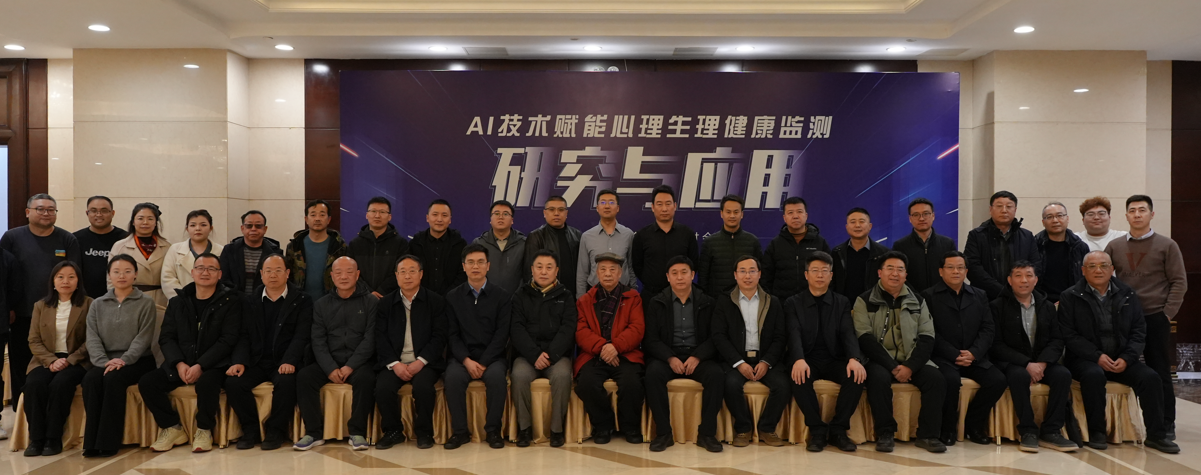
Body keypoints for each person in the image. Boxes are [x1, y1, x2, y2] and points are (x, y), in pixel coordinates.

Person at [1058, 251, 1179, 453]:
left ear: (1112, 269)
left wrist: (1127, 358)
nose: (1098, 270)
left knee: (1150, 378)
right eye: (1092, 266)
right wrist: (1096, 356)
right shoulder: (1070, 296)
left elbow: (1139, 331)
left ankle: (1156, 435)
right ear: (1083, 271)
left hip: (1122, 358)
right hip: (1085, 359)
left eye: (1104, 266)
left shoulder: (1128, 294)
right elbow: (1069, 335)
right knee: (1093, 375)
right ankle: (1097, 432)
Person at [1105, 195, 1187, 441]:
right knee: (1124, 367)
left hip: (1154, 316)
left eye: (1142, 210)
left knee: (1159, 370)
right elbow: (1105, 279)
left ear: (1151, 214)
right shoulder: (1115, 246)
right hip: (1123, 318)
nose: (1137, 214)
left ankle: (1165, 423)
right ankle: (1121, 422)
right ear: (1126, 216)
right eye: (1132, 210)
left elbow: (1179, 282)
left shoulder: (1167, 245)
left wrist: (1167, 314)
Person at [141, 253, 241, 453]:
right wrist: (179, 364)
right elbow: (166, 338)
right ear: (193, 272)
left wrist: (200, 365)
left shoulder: (230, 301)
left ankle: (204, 429)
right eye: (200, 268)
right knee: (148, 383)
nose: (205, 272)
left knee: (207, 383)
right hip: (182, 362)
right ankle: (172, 427)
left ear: (219, 274)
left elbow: (228, 340)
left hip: (214, 364)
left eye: (211, 269)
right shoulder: (178, 302)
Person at [1, 193, 82, 427]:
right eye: (40, 209)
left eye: (51, 209)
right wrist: (9, 307)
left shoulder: (67, 239)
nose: (46, 213)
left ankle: (51, 416)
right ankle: (24, 419)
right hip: (21, 314)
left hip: (58, 315)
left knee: (54, 366)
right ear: (28, 212)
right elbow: (4, 275)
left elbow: (74, 273)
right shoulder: (12, 237)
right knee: (21, 366)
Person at [853, 251, 946, 453]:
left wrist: (910, 366)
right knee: (878, 378)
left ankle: (928, 435)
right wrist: (893, 367)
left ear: (906, 275)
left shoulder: (918, 301)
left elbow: (927, 336)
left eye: (900, 270)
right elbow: (864, 338)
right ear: (880, 273)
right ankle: (885, 432)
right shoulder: (864, 300)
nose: (895, 274)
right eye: (890, 269)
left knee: (936, 379)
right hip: (879, 359)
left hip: (911, 358)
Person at [223, 253, 313, 451]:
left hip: (284, 360)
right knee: (234, 382)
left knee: (287, 382)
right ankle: (251, 430)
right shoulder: (250, 300)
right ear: (261, 274)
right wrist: (239, 361)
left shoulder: (302, 300)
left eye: (278, 270)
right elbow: (243, 335)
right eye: (269, 271)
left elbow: (302, 336)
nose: (273, 275)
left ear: (287, 273)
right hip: (256, 360)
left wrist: (290, 360)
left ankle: (276, 431)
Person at [989, 261, 1077, 453]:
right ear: (1009, 280)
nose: (1024, 280)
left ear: (1036, 280)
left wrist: (1042, 363)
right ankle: (1027, 430)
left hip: (1043, 361)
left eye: (1029, 275)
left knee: (1063, 375)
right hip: (1014, 362)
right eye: (1018, 276)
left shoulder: (1047, 306)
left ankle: (1051, 430)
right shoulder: (997, 306)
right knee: (1018, 376)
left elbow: (1057, 340)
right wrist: (1027, 364)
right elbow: (996, 345)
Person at [784, 251, 865, 453]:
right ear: (806, 275)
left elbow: (848, 333)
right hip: (807, 359)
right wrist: (798, 359)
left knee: (856, 376)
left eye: (824, 271)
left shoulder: (842, 302)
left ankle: (838, 430)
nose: (820, 275)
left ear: (831, 275)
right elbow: (793, 333)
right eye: (815, 270)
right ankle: (817, 431)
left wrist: (854, 358)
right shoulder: (793, 303)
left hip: (834, 359)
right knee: (798, 377)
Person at [923, 251, 1005, 446]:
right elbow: (929, 331)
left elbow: (988, 328)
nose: (956, 271)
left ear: (966, 271)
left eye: (960, 268)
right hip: (944, 357)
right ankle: (948, 428)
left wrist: (974, 353)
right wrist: (954, 354)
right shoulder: (928, 296)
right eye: (950, 267)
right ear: (941, 271)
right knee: (949, 381)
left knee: (997, 380)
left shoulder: (979, 295)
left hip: (974, 356)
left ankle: (973, 426)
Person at [294, 257, 378, 451]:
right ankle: (313, 433)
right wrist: (330, 368)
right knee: (305, 377)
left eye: (349, 272)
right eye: (338, 273)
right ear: (331, 276)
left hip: (358, 362)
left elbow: (370, 339)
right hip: (329, 361)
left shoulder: (371, 302)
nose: (343, 277)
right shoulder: (321, 304)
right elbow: (318, 340)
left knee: (366, 379)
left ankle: (357, 432)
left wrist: (350, 366)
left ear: (357, 275)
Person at [642, 256, 723, 452]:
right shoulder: (656, 302)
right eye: (675, 273)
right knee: (652, 374)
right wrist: (670, 358)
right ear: (668, 277)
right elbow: (651, 339)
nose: (680, 277)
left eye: (684, 272)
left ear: (693, 275)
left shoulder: (708, 302)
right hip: (668, 356)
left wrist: (698, 356)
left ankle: (707, 434)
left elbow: (716, 337)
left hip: (697, 356)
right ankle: (663, 433)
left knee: (717, 375)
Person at [81, 254, 157, 458]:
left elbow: (143, 338)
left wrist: (124, 360)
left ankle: (108, 441)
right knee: (90, 379)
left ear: (135, 274)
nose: (121, 276)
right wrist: (104, 362)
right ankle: (91, 442)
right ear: (109, 275)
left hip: (138, 360)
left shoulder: (146, 302)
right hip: (105, 360)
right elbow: (92, 337)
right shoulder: (97, 304)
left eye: (127, 271)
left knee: (113, 379)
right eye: (116, 272)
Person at [712, 255, 790, 448]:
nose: (747, 276)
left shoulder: (772, 302)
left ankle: (767, 428)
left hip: (765, 359)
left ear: (759, 274)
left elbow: (780, 337)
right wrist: (739, 363)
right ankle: (743, 428)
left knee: (783, 385)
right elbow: (719, 336)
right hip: (737, 360)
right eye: (743, 271)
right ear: (735, 275)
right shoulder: (725, 301)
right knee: (730, 384)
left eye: (752, 271)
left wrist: (766, 362)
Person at [373, 254, 447, 450]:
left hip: (425, 362)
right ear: (396, 275)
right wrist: (395, 364)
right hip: (394, 362)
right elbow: (380, 338)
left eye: (412, 271)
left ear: (421, 274)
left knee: (423, 388)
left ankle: (424, 432)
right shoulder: (385, 304)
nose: (407, 276)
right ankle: (393, 431)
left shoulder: (435, 301)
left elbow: (439, 337)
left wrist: (420, 361)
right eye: (403, 272)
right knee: (383, 388)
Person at [443, 244, 511, 449]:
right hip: (462, 357)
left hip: (492, 356)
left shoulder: (502, 296)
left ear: (488, 266)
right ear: (463, 266)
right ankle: (460, 432)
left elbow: (502, 335)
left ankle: (493, 431)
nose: (475, 267)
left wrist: (483, 362)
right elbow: (452, 335)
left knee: (497, 378)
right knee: (453, 378)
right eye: (470, 262)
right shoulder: (452, 297)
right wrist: (466, 361)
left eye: (480, 262)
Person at [574, 252, 645, 445]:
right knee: (586, 383)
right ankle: (603, 426)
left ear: (620, 273)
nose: (607, 274)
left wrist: (616, 347)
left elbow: (637, 328)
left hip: (625, 354)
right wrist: (603, 348)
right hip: (594, 354)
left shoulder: (633, 297)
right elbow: (581, 331)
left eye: (612, 270)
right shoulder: (585, 300)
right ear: (596, 273)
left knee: (632, 383)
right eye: (603, 269)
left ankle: (630, 427)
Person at [22, 261, 91, 457]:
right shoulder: (40, 306)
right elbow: (33, 340)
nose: (65, 281)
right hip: (45, 359)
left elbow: (92, 339)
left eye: (71, 277)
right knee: (34, 384)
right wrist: (51, 361)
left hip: (76, 360)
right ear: (53, 281)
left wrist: (69, 360)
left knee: (61, 384)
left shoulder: (89, 304)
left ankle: (53, 438)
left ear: (78, 281)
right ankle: (36, 439)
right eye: (60, 277)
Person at [510, 250, 576, 448]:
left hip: (556, 356)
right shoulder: (520, 295)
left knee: (562, 376)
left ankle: (556, 430)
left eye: (549, 267)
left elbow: (568, 329)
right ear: (532, 270)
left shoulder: (566, 295)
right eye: (539, 267)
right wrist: (534, 355)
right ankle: (524, 429)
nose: (544, 272)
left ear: (557, 271)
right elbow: (517, 329)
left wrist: (550, 355)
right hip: (527, 356)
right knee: (519, 375)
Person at [108, 202, 171, 364]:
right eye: (140, 218)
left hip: (160, 300)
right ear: (133, 221)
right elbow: (111, 279)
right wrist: (117, 303)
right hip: (129, 300)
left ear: (156, 222)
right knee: (132, 344)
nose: (145, 222)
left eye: (150, 219)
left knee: (159, 343)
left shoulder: (167, 247)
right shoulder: (120, 246)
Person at [964, 191, 1042, 300]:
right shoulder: (976, 235)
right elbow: (973, 268)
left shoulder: (1027, 236)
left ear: (1015, 210)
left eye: (1009, 206)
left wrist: (1019, 288)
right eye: (999, 206)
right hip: (984, 297)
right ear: (990, 209)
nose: (1004, 210)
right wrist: (1001, 291)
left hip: (1019, 297)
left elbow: (1035, 266)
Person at [631, 185, 699, 299]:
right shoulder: (642, 235)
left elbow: (694, 264)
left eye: (668, 204)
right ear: (652, 207)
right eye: (659, 204)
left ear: (675, 206)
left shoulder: (687, 234)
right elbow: (637, 266)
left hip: (681, 295)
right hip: (651, 295)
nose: (664, 209)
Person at [761, 196, 831, 299]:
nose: (795, 216)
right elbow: (766, 278)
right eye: (790, 213)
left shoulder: (820, 243)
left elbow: (829, 274)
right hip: (782, 303)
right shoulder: (775, 244)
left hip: (814, 301)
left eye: (799, 212)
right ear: (784, 218)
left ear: (806, 215)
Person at [698, 195, 762, 297]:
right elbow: (703, 277)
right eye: (728, 212)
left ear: (742, 214)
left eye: (736, 212)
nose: (732, 216)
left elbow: (760, 274)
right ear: (721, 214)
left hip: (746, 298)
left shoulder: (752, 241)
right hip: (717, 300)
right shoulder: (709, 243)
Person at [577, 190, 635, 297]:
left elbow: (631, 268)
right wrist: (581, 299)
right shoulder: (587, 236)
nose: (607, 206)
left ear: (618, 208)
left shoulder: (628, 234)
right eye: (603, 202)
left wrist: (634, 294)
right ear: (597, 208)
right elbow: (582, 273)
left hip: (623, 294)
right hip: (595, 295)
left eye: (611, 202)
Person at [286, 199, 347, 301]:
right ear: (306, 219)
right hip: (300, 302)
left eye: (322, 215)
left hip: (332, 302)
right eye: (313, 215)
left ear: (329, 219)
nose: (317, 219)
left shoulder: (339, 246)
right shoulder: (294, 246)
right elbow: (288, 277)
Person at [892, 198, 957, 294]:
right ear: (910, 219)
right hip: (911, 299)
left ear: (933, 216)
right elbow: (897, 275)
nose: (921, 218)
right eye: (916, 215)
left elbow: (953, 273)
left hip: (942, 297)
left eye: (926, 214)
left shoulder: (947, 244)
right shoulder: (900, 246)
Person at [348, 196, 409, 298]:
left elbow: (401, 271)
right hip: (361, 298)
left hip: (390, 298)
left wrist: (382, 291)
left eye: (382, 212)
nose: (377, 216)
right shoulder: (355, 244)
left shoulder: (400, 243)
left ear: (389, 217)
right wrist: (368, 292)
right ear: (367, 215)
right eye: (373, 211)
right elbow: (351, 272)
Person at [161, 210, 224, 300]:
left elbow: (224, 279)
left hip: (214, 301)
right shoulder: (175, 249)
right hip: (181, 301)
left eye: (203, 225)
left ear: (211, 228)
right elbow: (167, 278)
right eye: (193, 225)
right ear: (187, 229)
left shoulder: (221, 251)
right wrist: (182, 300)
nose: (198, 228)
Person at [74, 196, 129, 300]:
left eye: (104, 211)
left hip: (118, 297)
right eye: (93, 211)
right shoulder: (75, 239)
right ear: (87, 213)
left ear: (112, 213)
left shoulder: (126, 239)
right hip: (83, 299)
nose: (99, 215)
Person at [409, 199, 467, 295]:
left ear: (450, 219)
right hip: (421, 297)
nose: (439, 219)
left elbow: (463, 273)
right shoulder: (416, 243)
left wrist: (449, 295)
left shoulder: (459, 244)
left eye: (444, 215)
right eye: (435, 214)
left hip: (452, 298)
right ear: (427, 218)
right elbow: (410, 272)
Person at [1034, 202, 1089, 304]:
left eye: (1059, 216)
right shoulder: (1034, 246)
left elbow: (1086, 278)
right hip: (1041, 302)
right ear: (1043, 222)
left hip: (1072, 302)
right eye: (1049, 217)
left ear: (1067, 219)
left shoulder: (1080, 247)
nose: (1055, 220)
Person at [525, 196, 582, 294]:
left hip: (572, 294)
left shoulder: (577, 235)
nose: (556, 213)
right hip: (545, 294)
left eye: (561, 210)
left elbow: (582, 268)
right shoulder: (536, 236)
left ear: (566, 213)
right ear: (545, 213)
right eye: (551, 209)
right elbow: (529, 271)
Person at [219, 210, 282, 295]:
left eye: (258, 226)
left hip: (265, 299)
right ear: (242, 228)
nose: (253, 229)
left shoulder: (276, 253)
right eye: (249, 226)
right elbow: (223, 279)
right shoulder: (229, 250)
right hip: (234, 299)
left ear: (265, 229)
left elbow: (280, 280)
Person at [832, 207, 888, 300]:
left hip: (873, 305)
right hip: (843, 306)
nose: (857, 225)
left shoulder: (883, 253)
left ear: (870, 226)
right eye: (853, 222)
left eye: (862, 221)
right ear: (847, 227)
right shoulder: (837, 253)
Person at [473, 200, 526, 295]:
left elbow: (528, 274)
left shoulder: (523, 243)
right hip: (486, 298)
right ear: (490, 219)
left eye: (505, 214)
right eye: (496, 213)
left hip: (516, 300)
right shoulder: (479, 243)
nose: (500, 217)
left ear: (512, 220)